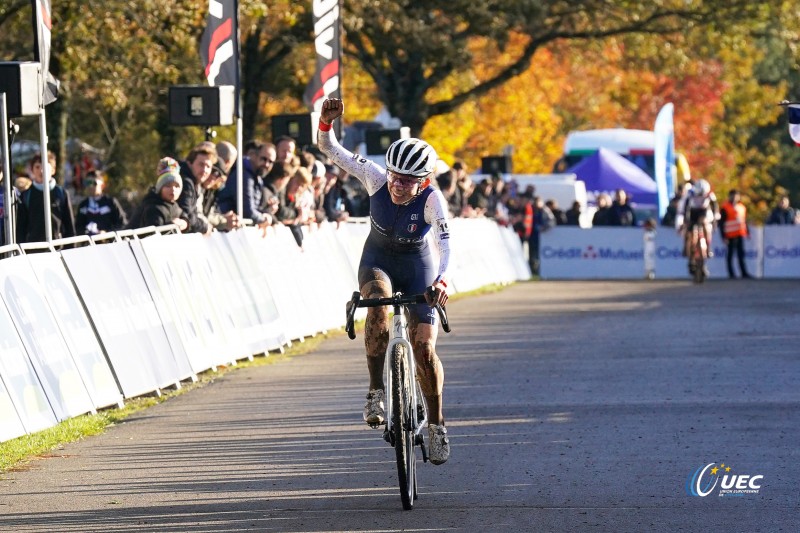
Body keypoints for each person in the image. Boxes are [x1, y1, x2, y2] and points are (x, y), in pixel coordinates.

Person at [318, 97, 451, 465]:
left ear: (423, 180)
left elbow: (444, 242)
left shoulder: (432, 199)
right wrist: (326, 123)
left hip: (417, 266)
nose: (398, 186)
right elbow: (330, 149)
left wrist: (441, 280)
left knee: (424, 348)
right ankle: (376, 390)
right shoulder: (374, 176)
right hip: (378, 261)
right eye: (395, 177)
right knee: (376, 310)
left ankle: (438, 425)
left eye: (408, 182)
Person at [16, 151, 76, 243]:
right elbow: (21, 229)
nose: (41, 171)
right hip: (32, 250)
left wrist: (70, 249)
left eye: (45, 167)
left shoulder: (61, 193)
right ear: (32, 170)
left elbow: (69, 226)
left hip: (58, 249)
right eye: (37, 167)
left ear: (53, 170)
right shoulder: (26, 195)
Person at [675, 178, 718, 276]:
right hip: (692, 212)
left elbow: (715, 207)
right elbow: (685, 208)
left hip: (703, 212)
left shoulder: (709, 194)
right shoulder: (690, 194)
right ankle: (686, 248)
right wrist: (686, 221)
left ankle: (708, 247)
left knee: (706, 226)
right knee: (689, 232)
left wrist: (715, 219)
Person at [136, 157, 188, 231]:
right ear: (160, 188)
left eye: (177, 186)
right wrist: (172, 226)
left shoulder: (175, 206)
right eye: (168, 186)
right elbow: (153, 234)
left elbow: (183, 215)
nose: (173, 189)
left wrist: (185, 222)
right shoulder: (153, 208)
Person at [75, 170, 128, 236]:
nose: (90, 186)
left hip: (110, 243)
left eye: (94, 183)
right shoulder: (83, 205)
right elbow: (78, 228)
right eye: (88, 183)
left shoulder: (111, 202)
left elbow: (123, 224)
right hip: (89, 244)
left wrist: (107, 234)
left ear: (102, 185)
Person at [719, 189, 751, 279]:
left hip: (740, 234)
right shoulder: (725, 207)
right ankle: (731, 273)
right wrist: (723, 236)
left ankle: (744, 273)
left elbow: (744, 221)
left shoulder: (741, 207)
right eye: (733, 195)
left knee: (741, 254)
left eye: (736, 196)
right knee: (730, 254)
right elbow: (721, 223)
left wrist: (747, 231)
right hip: (730, 235)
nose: (734, 198)